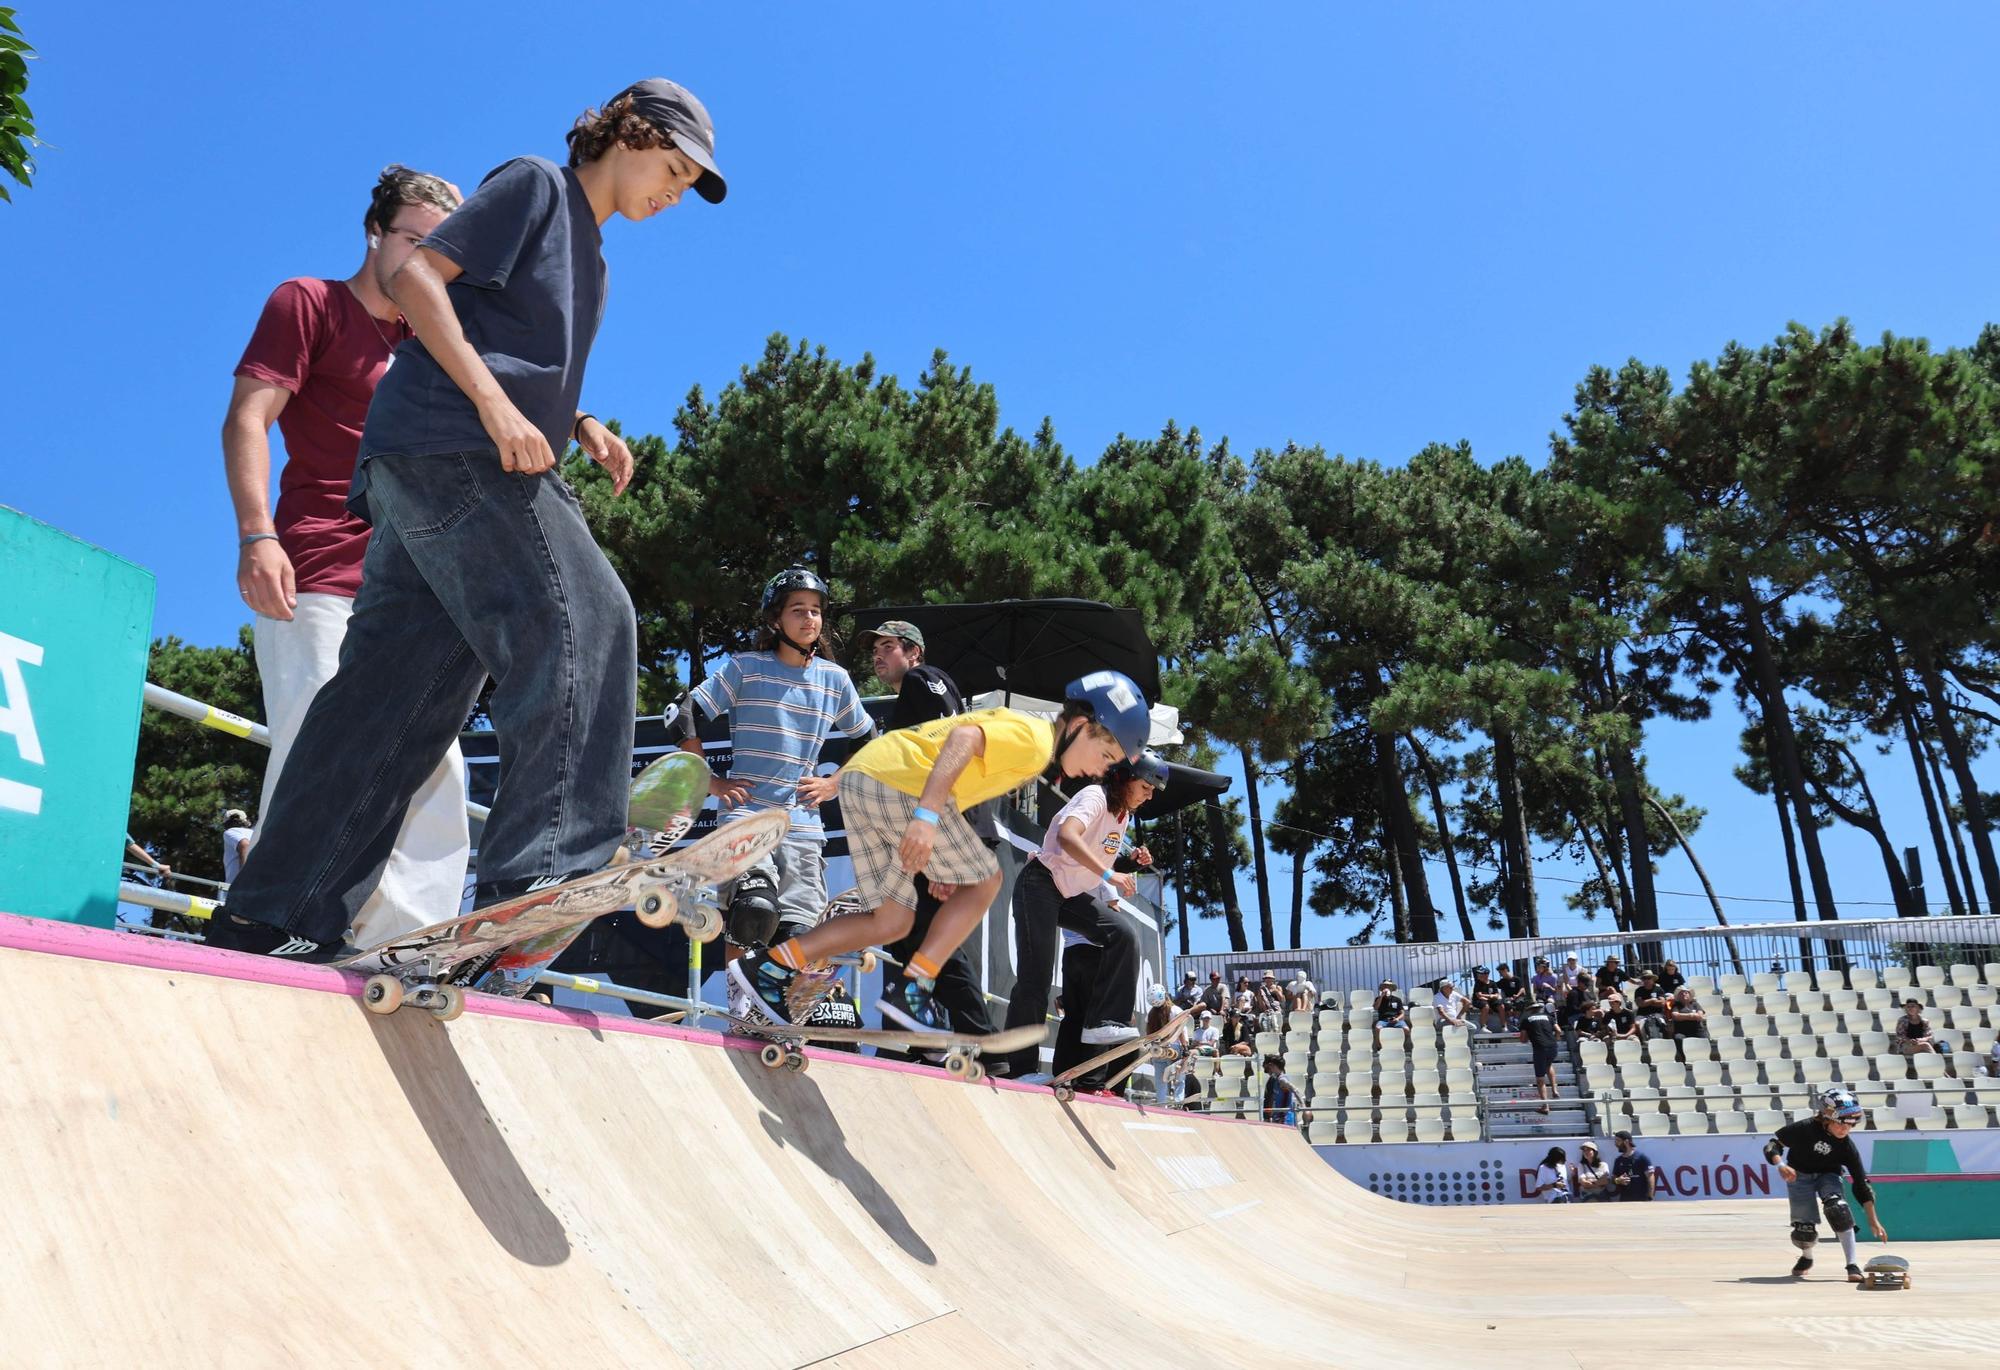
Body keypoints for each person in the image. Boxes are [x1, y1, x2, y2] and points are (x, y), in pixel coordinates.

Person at [211, 79, 727, 958]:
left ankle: (272, 911)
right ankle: (543, 874)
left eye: (686, 185)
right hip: (457, 450)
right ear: (627, 134)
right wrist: (493, 406)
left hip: (419, 472)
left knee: (391, 703)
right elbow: (415, 275)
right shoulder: (536, 185)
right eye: (670, 169)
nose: (673, 193)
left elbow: (508, 345)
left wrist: (577, 422)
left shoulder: (592, 261)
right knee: (590, 620)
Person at [222, 165, 468, 950]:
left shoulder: (431, 344)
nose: (423, 260)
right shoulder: (310, 304)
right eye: (412, 240)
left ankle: (412, 943)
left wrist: (587, 420)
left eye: (442, 251)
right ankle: (286, 921)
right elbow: (248, 419)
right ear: (375, 232)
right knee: (317, 751)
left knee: (439, 766)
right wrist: (257, 535)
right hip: (317, 573)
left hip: (412, 591)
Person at [730, 671, 1150, 1033]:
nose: (1100, 770)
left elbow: (964, 785)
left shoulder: (1034, 751)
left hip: (871, 783)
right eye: (1105, 754)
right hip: (893, 785)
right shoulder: (1035, 739)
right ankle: (912, 989)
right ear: (1080, 724)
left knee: (891, 921)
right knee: (989, 880)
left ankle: (769, 967)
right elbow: (963, 738)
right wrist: (927, 818)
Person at [675, 567, 874, 960]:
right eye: (798, 609)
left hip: (802, 826)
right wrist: (711, 783)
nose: (809, 618)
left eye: (816, 610)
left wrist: (834, 784)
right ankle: (741, 1012)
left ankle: (778, 1019)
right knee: (753, 911)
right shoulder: (745, 667)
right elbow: (682, 716)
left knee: (799, 937)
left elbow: (867, 740)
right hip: (746, 816)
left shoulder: (835, 679)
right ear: (775, 619)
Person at [859, 618, 998, 1049]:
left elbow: (951, 758)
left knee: (929, 939)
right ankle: (923, 1042)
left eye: (888, 646)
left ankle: (980, 1041)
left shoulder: (924, 679)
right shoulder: (916, 700)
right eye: (875, 649)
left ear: (914, 652)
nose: (878, 656)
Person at [989, 750, 1162, 1081]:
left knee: (1122, 935)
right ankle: (1020, 1068)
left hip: (1067, 894)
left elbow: (1098, 857)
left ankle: (1105, 1022)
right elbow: (1068, 837)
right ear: (1125, 779)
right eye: (1146, 786)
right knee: (1034, 979)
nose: (1149, 795)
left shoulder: (1121, 815)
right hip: (1040, 884)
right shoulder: (1095, 797)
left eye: (1153, 791)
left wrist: (1128, 863)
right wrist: (1111, 877)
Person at [1766, 1088, 1888, 1280]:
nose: (1844, 1130)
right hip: (1798, 1174)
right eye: (1840, 1124)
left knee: (1838, 1209)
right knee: (1804, 1232)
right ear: (1826, 1117)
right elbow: (1773, 1145)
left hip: (1828, 1174)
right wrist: (1780, 1165)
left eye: (1849, 1125)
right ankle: (1806, 1257)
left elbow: (1861, 1184)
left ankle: (1852, 1265)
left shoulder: (1847, 1147)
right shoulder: (1805, 1128)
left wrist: (1873, 1220)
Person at [1144, 986, 1191, 1106]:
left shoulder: (1150, 1014)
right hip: (1174, 1048)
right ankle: (1178, 1103)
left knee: (1161, 1082)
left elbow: (1148, 1035)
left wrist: (1151, 1052)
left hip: (1158, 1051)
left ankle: (1161, 1106)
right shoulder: (1175, 1010)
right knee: (1179, 1078)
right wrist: (1185, 1048)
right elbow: (1180, 1031)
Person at [1519, 992, 1562, 1115]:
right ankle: (1554, 1090)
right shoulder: (1549, 1017)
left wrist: (1528, 1038)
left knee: (1540, 1079)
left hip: (1540, 1048)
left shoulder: (1526, 1020)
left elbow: (1523, 1039)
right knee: (1549, 1065)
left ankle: (1545, 1106)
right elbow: (1558, 1030)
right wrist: (1556, 1039)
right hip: (1552, 1046)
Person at [1609, 1130, 1655, 1201]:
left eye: (1618, 1141)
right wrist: (1618, 1180)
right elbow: (1613, 1179)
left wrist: (1650, 1196)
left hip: (1642, 1199)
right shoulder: (1618, 1160)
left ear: (1626, 1142)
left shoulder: (1641, 1157)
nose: (1616, 1144)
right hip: (1624, 1200)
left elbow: (1650, 1177)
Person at [1372, 979, 1411, 1047]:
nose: (1387, 988)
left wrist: (1397, 1019)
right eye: (1385, 986)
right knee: (1378, 1028)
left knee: (1406, 1029)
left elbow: (1402, 1013)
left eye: (1389, 986)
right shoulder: (1378, 999)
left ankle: (1402, 1044)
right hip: (1383, 1020)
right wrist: (1381, 996)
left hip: (1396, 1020)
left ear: (1392, 989)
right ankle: (1379, 1046)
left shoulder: (1397, 999)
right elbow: (1375, 1007)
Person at [1262, 1057, 1301, 1125]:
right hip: (1279, 1117)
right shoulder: (1275, 1080)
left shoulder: (1282, 1079)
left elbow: (1295, 1090)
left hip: (1285, 1119)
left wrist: (1304, 1107)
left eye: (1267, 1069)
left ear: (1272, 1065)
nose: (1266, 1072)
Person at [221, 809, 255, 886]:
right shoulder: (255, 833)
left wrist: (243, 878)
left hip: (237, 889)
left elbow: (244, 844)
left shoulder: (230, 831)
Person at [1633, 971, 1671, 1040]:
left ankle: (1666, 1040)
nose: (1647, 980)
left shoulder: (1659, 989)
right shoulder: (1638, 991)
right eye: (1644, 978)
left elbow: (1662, 1003)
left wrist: (1646, 1002)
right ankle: (1643, 1042)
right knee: (1637, 1024)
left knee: (1663, 1023)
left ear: (1653, 979)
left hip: (1657, 1014)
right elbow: (1640, 1004)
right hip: (1642, 1015)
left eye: (1649, 978)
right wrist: (1652, 1000)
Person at [1469, 967, 1505, 1033]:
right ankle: (1483, 1027)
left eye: (1481, 974)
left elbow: (1497, 994)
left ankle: (1504, 1027)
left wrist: (1490, 996)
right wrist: (1490, 996)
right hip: (1478, 1001)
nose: (1479, 975)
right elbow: (1479, 995)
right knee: (1485, 1006)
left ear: (1486, 975)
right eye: (1479, 974)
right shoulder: (1478, 983)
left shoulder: (1492, 983)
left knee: (1501, 1006)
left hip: (1491, 1000)